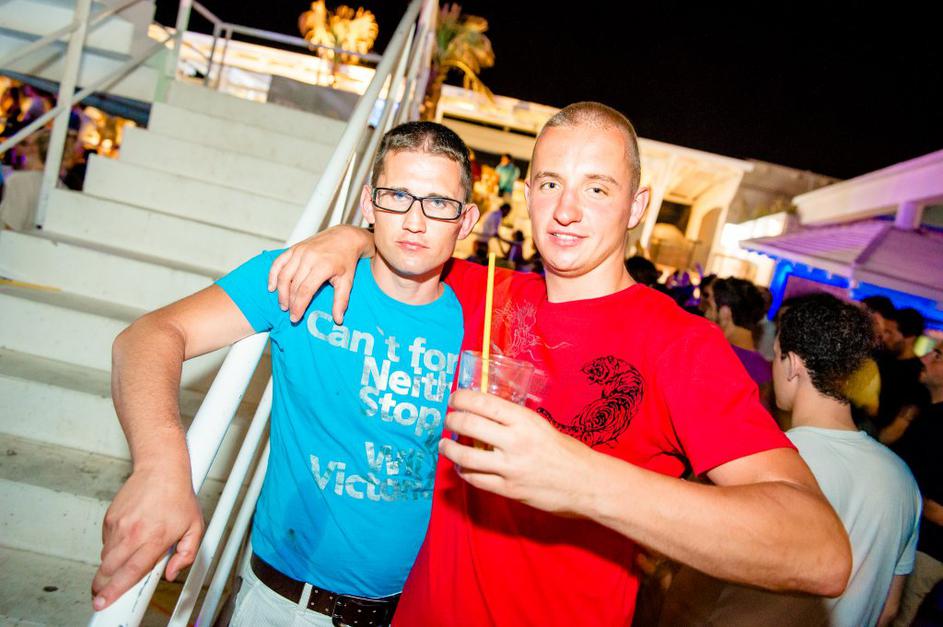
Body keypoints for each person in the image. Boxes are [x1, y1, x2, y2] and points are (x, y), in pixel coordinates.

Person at [268, 102, 851, 625]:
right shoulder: (479, 291)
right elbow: (403, 240)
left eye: (596, 188)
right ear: (527, 194)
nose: (566, 210)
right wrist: (348, 237)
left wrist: (581, 480)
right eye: (550, 183)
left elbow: (819, 551)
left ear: (636, 206)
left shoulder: (680, 344)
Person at [90, 121, 481, 626]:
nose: (414, 221)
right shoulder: (303, 277)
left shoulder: (479, 317)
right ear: (368, 203)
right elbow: (148, 336)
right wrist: (161, 466)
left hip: (416, 610)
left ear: (466, 221)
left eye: (439, 203)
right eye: (397, 196)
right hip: (285, 606)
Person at [660, 293, 921, 627]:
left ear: (793, 363)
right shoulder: (903, 479)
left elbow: (695, 590)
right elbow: (888, 610)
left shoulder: (762, 461)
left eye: (776, 354)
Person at [893, 342, 943, 625]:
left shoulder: (937, 423)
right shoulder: (928, 415)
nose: (924, 359)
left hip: (925, 553)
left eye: (938, 355)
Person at [701, 277, 773, 396]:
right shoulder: (765, 370)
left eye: (710, 307)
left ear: (725, 313)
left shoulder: (716, 355)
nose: (706, 314)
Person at [878, 307, 930, 444]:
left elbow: (898, 427)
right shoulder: (880, 358)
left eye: (890, 332)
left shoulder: (919, 374)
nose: (884, 337)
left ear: (909, 337)